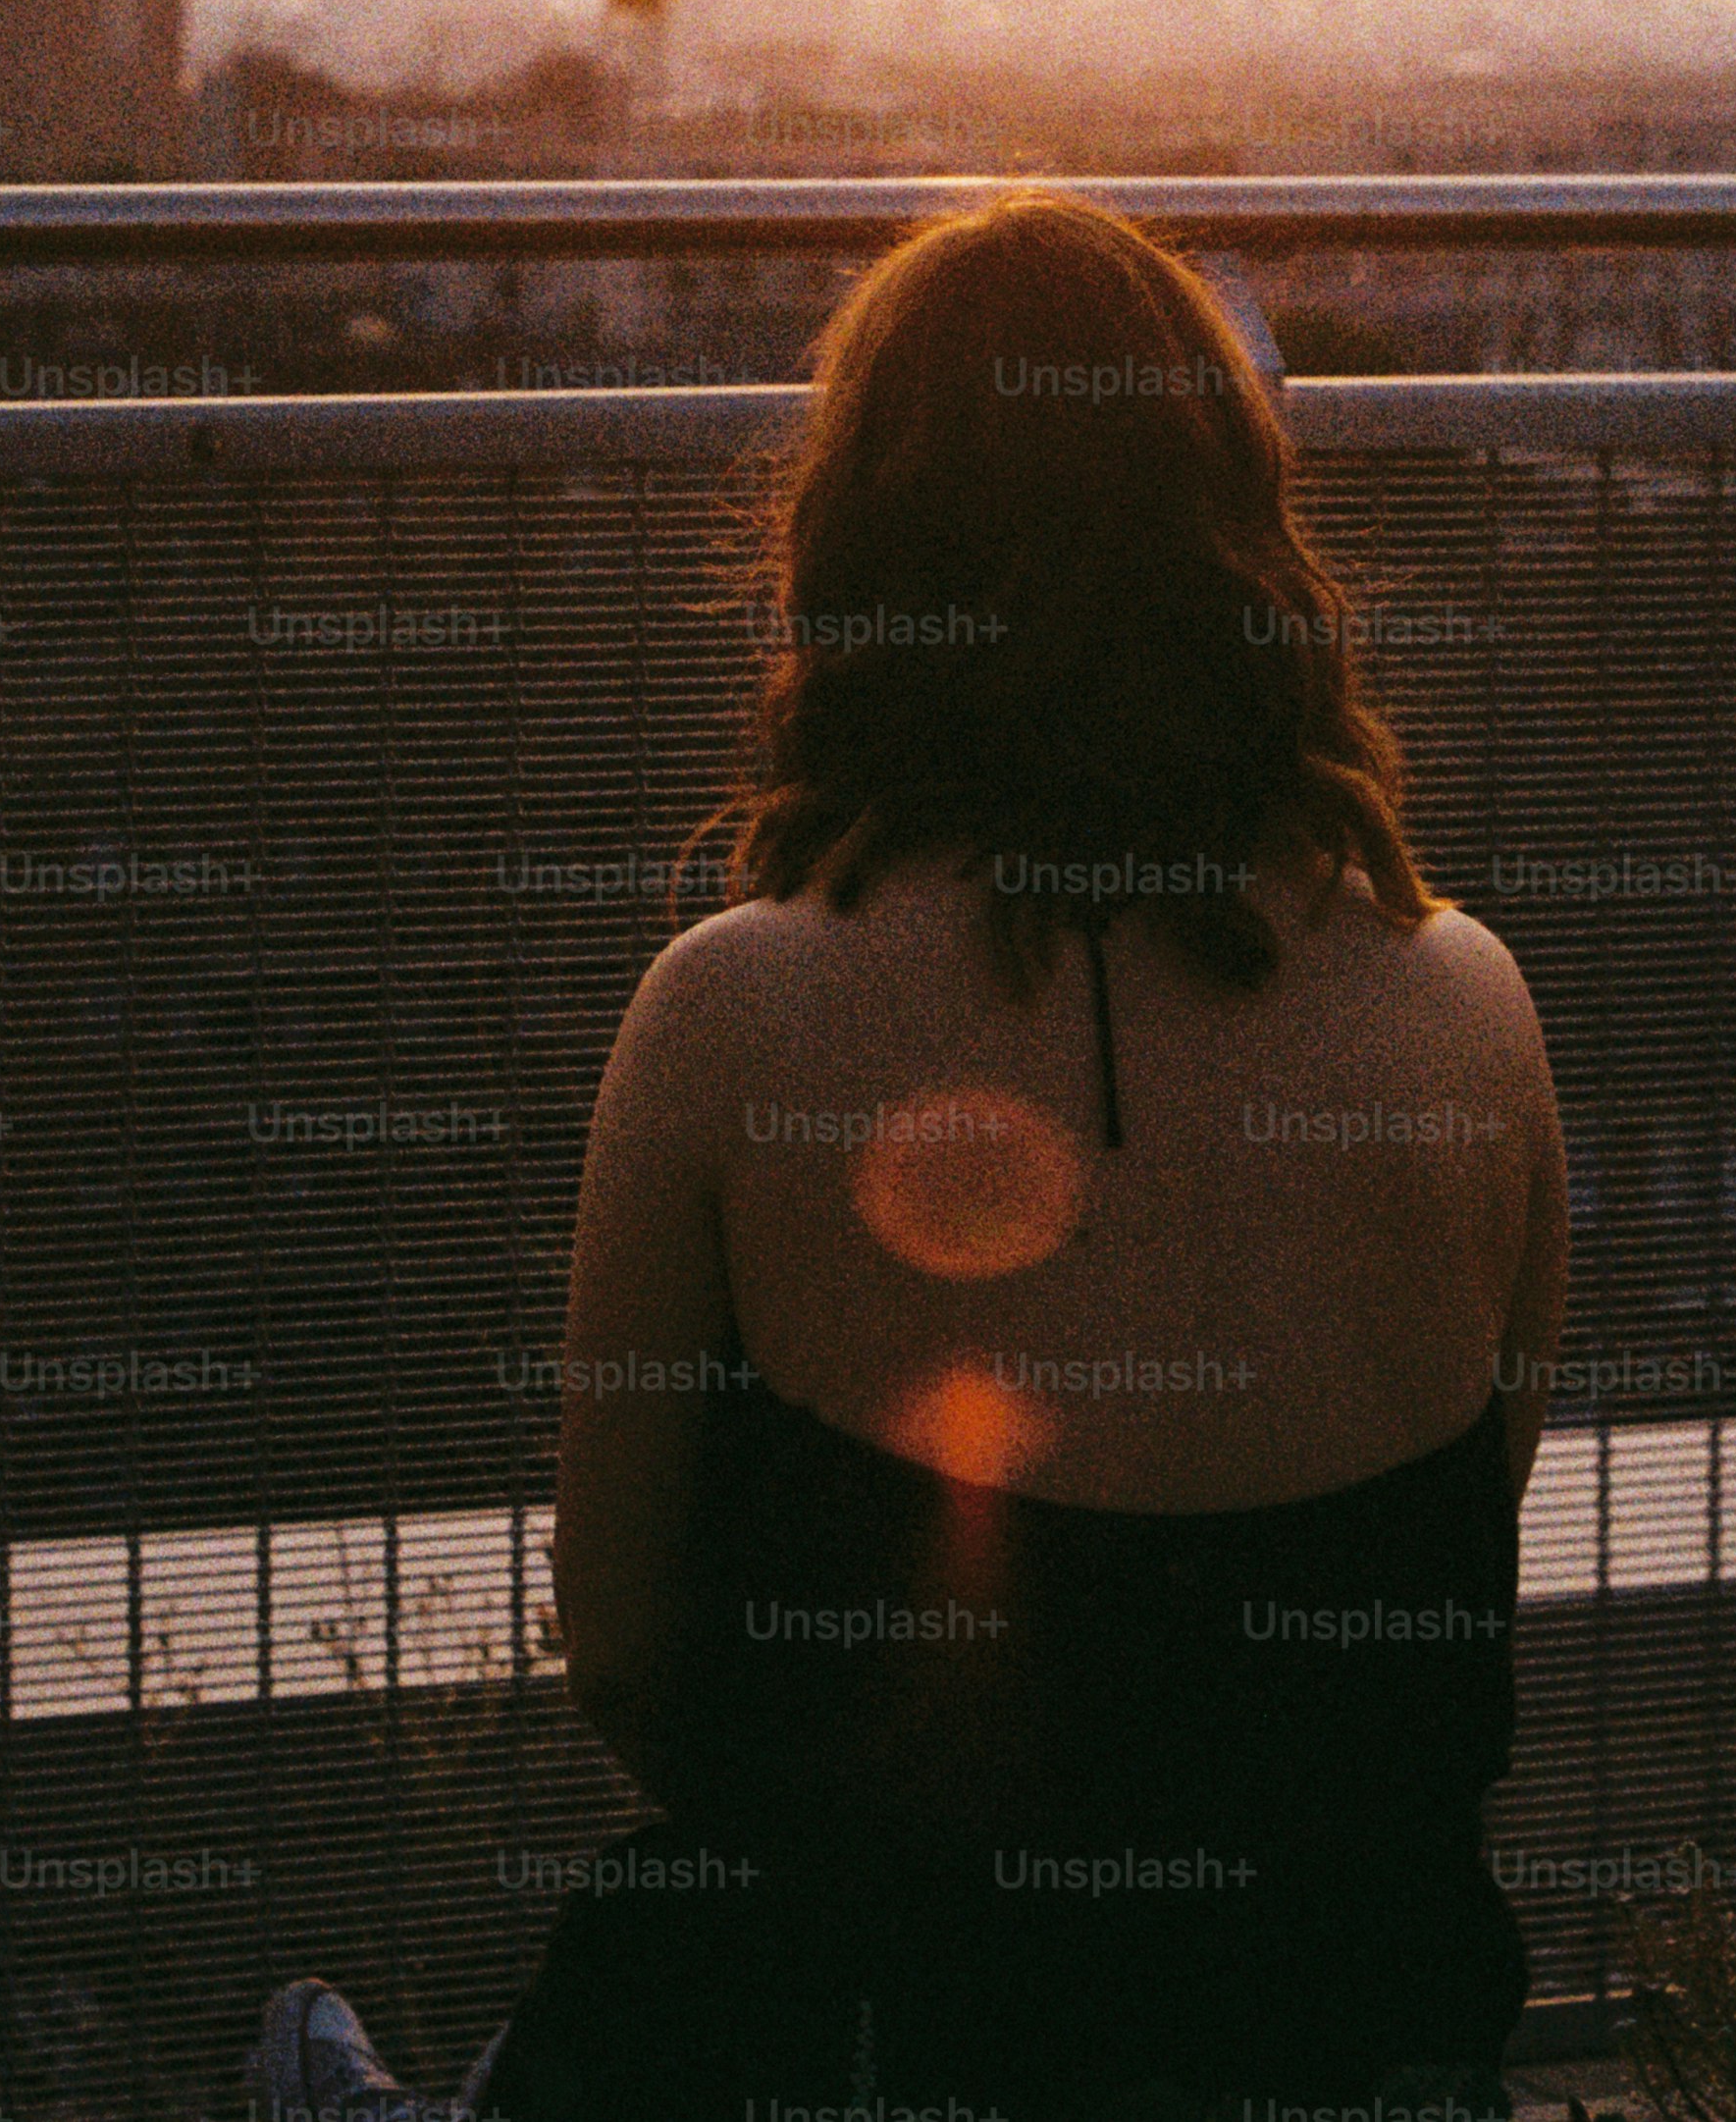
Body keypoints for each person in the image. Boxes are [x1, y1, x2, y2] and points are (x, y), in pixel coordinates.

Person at [255, 189, 1565, 2122]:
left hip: (858, 2034)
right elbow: (1446, 1545)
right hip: (1349, 2030)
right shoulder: (1471, 1007)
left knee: (299, 2053)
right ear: (1241, 529)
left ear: (856, 546)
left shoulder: (733, 1013)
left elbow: (624, 1652)